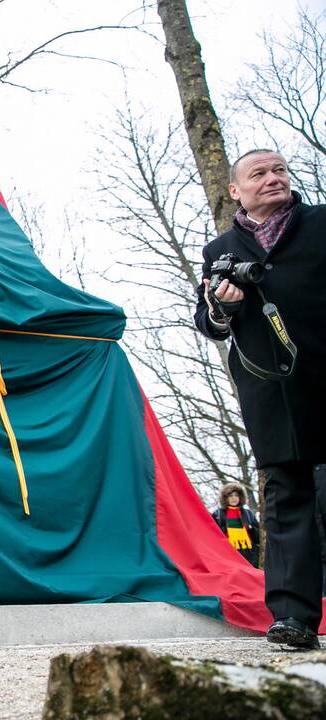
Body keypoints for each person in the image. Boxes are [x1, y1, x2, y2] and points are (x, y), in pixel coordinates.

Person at [194, 149, 326, 650]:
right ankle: (293, 618)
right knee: (285, 495)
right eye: (260, 173)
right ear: (235, 190)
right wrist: (222, 308)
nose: (273, 179)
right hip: (270, 390)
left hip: (322, 370)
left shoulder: (319, 223)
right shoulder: (220, 249)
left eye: (280, 171)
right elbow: (208, 324)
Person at [210, 483, 260, 568]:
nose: (234, 498)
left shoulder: (248, 513)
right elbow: (212, 535)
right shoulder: (218, 514)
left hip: (249, 552)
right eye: (230, 496)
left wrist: (252, 530)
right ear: (225, 498)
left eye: (236, 495)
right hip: (227, 552)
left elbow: (259, 535)